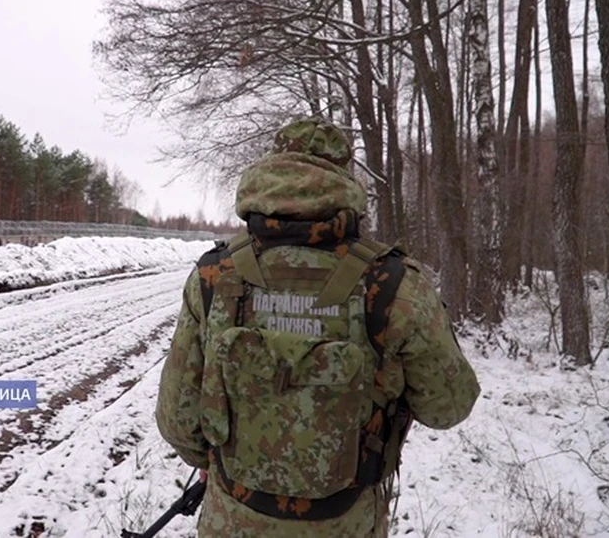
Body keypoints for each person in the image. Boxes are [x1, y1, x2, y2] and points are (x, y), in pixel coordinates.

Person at [155, 116, 481, 537]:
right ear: (343, 176)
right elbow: (448, 406)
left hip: (233, 517)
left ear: (275, 165)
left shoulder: (214, 275)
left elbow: (177, 420)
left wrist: (218, 460)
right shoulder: (394, 283)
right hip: (346, 522)